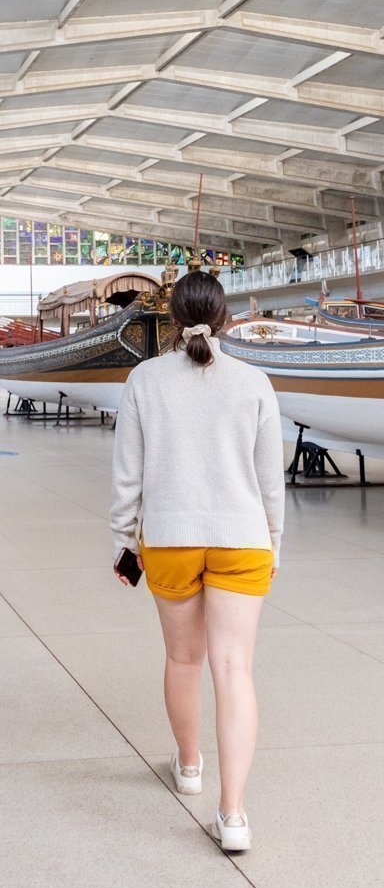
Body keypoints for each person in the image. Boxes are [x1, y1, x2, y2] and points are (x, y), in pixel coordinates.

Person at [110, 271, 285, 852]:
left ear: (172, 321)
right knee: (234, 669)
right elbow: (269, 481)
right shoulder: (255, 381)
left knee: (184, 659)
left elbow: (127, 474)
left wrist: (125, 541)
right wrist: (273, 542)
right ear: (226, 316)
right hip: (242, 539)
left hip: (171, 538)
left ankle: (189, 766)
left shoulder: (145, 379)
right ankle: (233, 815)